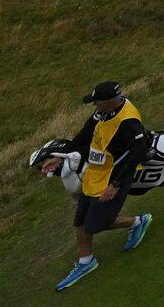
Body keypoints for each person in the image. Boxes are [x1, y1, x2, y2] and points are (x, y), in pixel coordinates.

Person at [45, 80, 155, 291]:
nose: (95, 107)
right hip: (94, 176)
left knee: (95, 224)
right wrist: (62, 156)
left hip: (116, 177)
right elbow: (85, 134)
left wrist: (114, 184)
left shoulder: (128, 121)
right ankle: (86, 262)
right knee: (80, 221)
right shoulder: (102, 114)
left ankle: (137, 222)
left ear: (110, 102)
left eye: (98, 103)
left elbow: (136, 153)